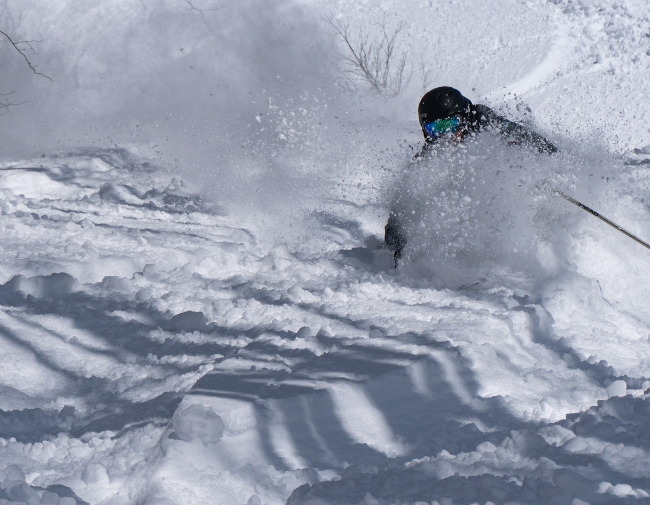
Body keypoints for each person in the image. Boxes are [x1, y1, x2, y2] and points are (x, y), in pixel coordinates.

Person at [385, 86, 557, 267]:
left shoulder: (488, 124)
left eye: (450, 125)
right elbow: (403, 204)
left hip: (517, 196)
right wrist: (398, 240)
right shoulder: (429, 156)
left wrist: (543, 171)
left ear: (464, 118)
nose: (446, 136)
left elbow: (538, 144)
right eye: (435, 129)